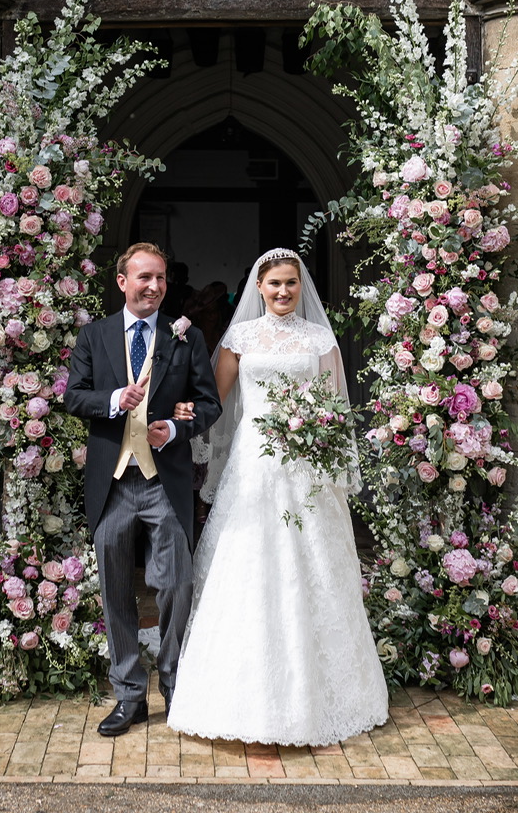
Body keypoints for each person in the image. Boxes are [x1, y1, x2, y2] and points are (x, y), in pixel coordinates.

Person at [166, 248, 389, 745]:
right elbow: (214, 400)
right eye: (274, 284)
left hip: (308, 465)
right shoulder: (240, 338)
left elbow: (335, 406)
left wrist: (323, 445)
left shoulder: (319, 339)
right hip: (255, 465)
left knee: (314, 566)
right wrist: (175, 413)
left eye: (291, 283)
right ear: (259, 288)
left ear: (300, 285)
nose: (284, 292)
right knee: (250, 563)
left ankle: (322, 693)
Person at [63, 243, 222, 736]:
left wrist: (174, 431)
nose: (153, 286)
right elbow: (72, 396)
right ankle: (129, 694)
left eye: (160, 279)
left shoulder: (186, 336)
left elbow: (208, 403)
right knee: (115, 592)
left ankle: (174, 683)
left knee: (176, 583)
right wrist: (114, 399)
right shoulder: (95, 335)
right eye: (143, 278)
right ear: (122, 281)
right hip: (112, 482)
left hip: (164, 481)